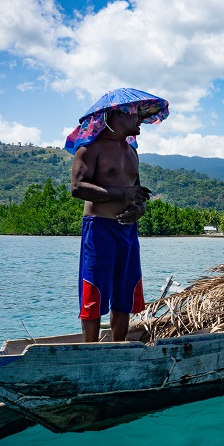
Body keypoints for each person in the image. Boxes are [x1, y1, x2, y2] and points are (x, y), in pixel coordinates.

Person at [70, 108, 152, 342]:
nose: (140, 120)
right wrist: (122, 193)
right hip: (99, 229)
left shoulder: (132, 152)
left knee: (124, 293)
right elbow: (77, 188)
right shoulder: (90, 148)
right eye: (135, 114)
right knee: (94, 291)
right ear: (117, 116)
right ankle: (91, 351)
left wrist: (139, 210)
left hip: (127, 231)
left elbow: (137, 194)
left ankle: (118, 348)